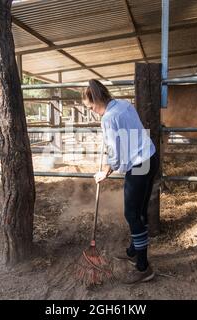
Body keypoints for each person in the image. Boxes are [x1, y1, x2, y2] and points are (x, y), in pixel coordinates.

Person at [82, 79, 159, 284]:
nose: (92, 112)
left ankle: (143, 268)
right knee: (140, 211)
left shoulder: (108, 118)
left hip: (139, 164)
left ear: (97, 101)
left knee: (131, 213)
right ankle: (134, 250)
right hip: (149, 157)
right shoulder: (123, 104)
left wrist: (104, 173)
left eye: (91, 108)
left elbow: (115, 156)